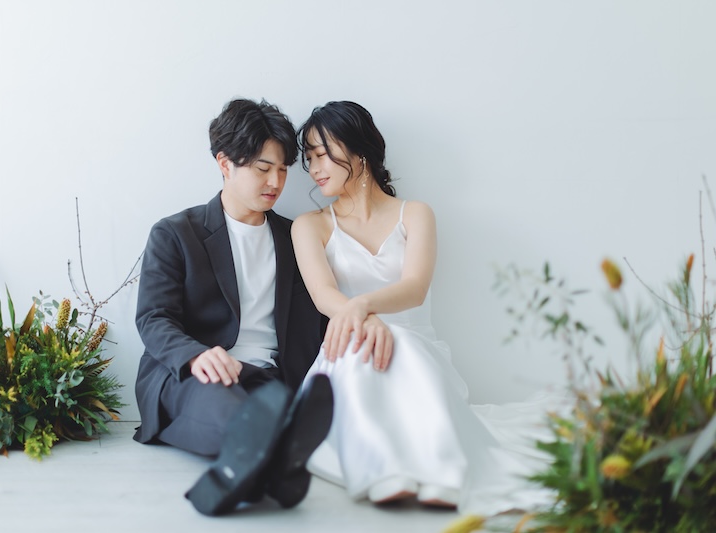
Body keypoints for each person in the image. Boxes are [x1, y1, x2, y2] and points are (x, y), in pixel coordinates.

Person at [292, 101, 557, 516]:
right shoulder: (310, 225)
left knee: (402, 346)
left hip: (416, 350)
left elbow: (414, 289)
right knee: (360, 350)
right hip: (347, 347)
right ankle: (379, 471)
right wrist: (365, 321)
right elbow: (324, 295)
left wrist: (363, 306)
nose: (314, 168)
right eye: (309, 158)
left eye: (322, 154)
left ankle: (442, 473)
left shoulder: (415, 214)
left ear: (359, 150)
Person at [133, 98, 333, 517]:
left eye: (283, 169)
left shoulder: (296, 237)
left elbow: (318, 314)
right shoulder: (175, 234)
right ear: (225, 163)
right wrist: (196, 355)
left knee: (271, 406)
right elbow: (154, 317)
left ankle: (248, 472)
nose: (276, 182)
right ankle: (281, 461)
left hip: (267, 378)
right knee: (233, 408)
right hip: (193, 375)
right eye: (263, 168)